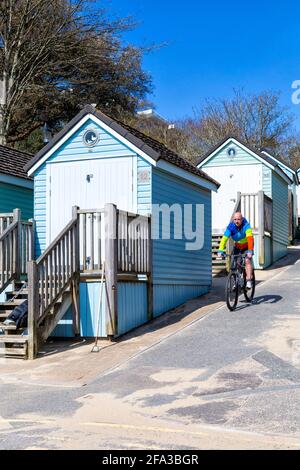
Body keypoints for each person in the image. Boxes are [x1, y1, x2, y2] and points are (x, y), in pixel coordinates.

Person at [217, 212, 254, 289]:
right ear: (233, 220)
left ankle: (249, 280)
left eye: (239, 219)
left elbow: (250, 239)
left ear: (242, 219)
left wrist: (250, 251)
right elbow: (224, 238)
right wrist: (220, 250)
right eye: (235, 219)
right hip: (237, 246)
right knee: (234, 263)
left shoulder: (246, 225)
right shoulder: (231, 226)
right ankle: (237, 280)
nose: (237, 221)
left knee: (247, 260)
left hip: (247, 246)